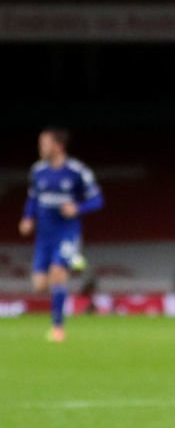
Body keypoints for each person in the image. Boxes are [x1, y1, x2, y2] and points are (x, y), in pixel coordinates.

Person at [19, 128, 102, 343]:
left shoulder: (77, 171)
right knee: (39, 285)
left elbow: (97, 199)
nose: (41, 148)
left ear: (58, 146)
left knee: (57, 273)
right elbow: (33, 199)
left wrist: (78, 208)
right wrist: (28, 217)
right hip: (44, 236)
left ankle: (58, 328)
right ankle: (75, 264)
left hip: (67, 232)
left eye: (44, 143)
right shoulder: (37, 171)